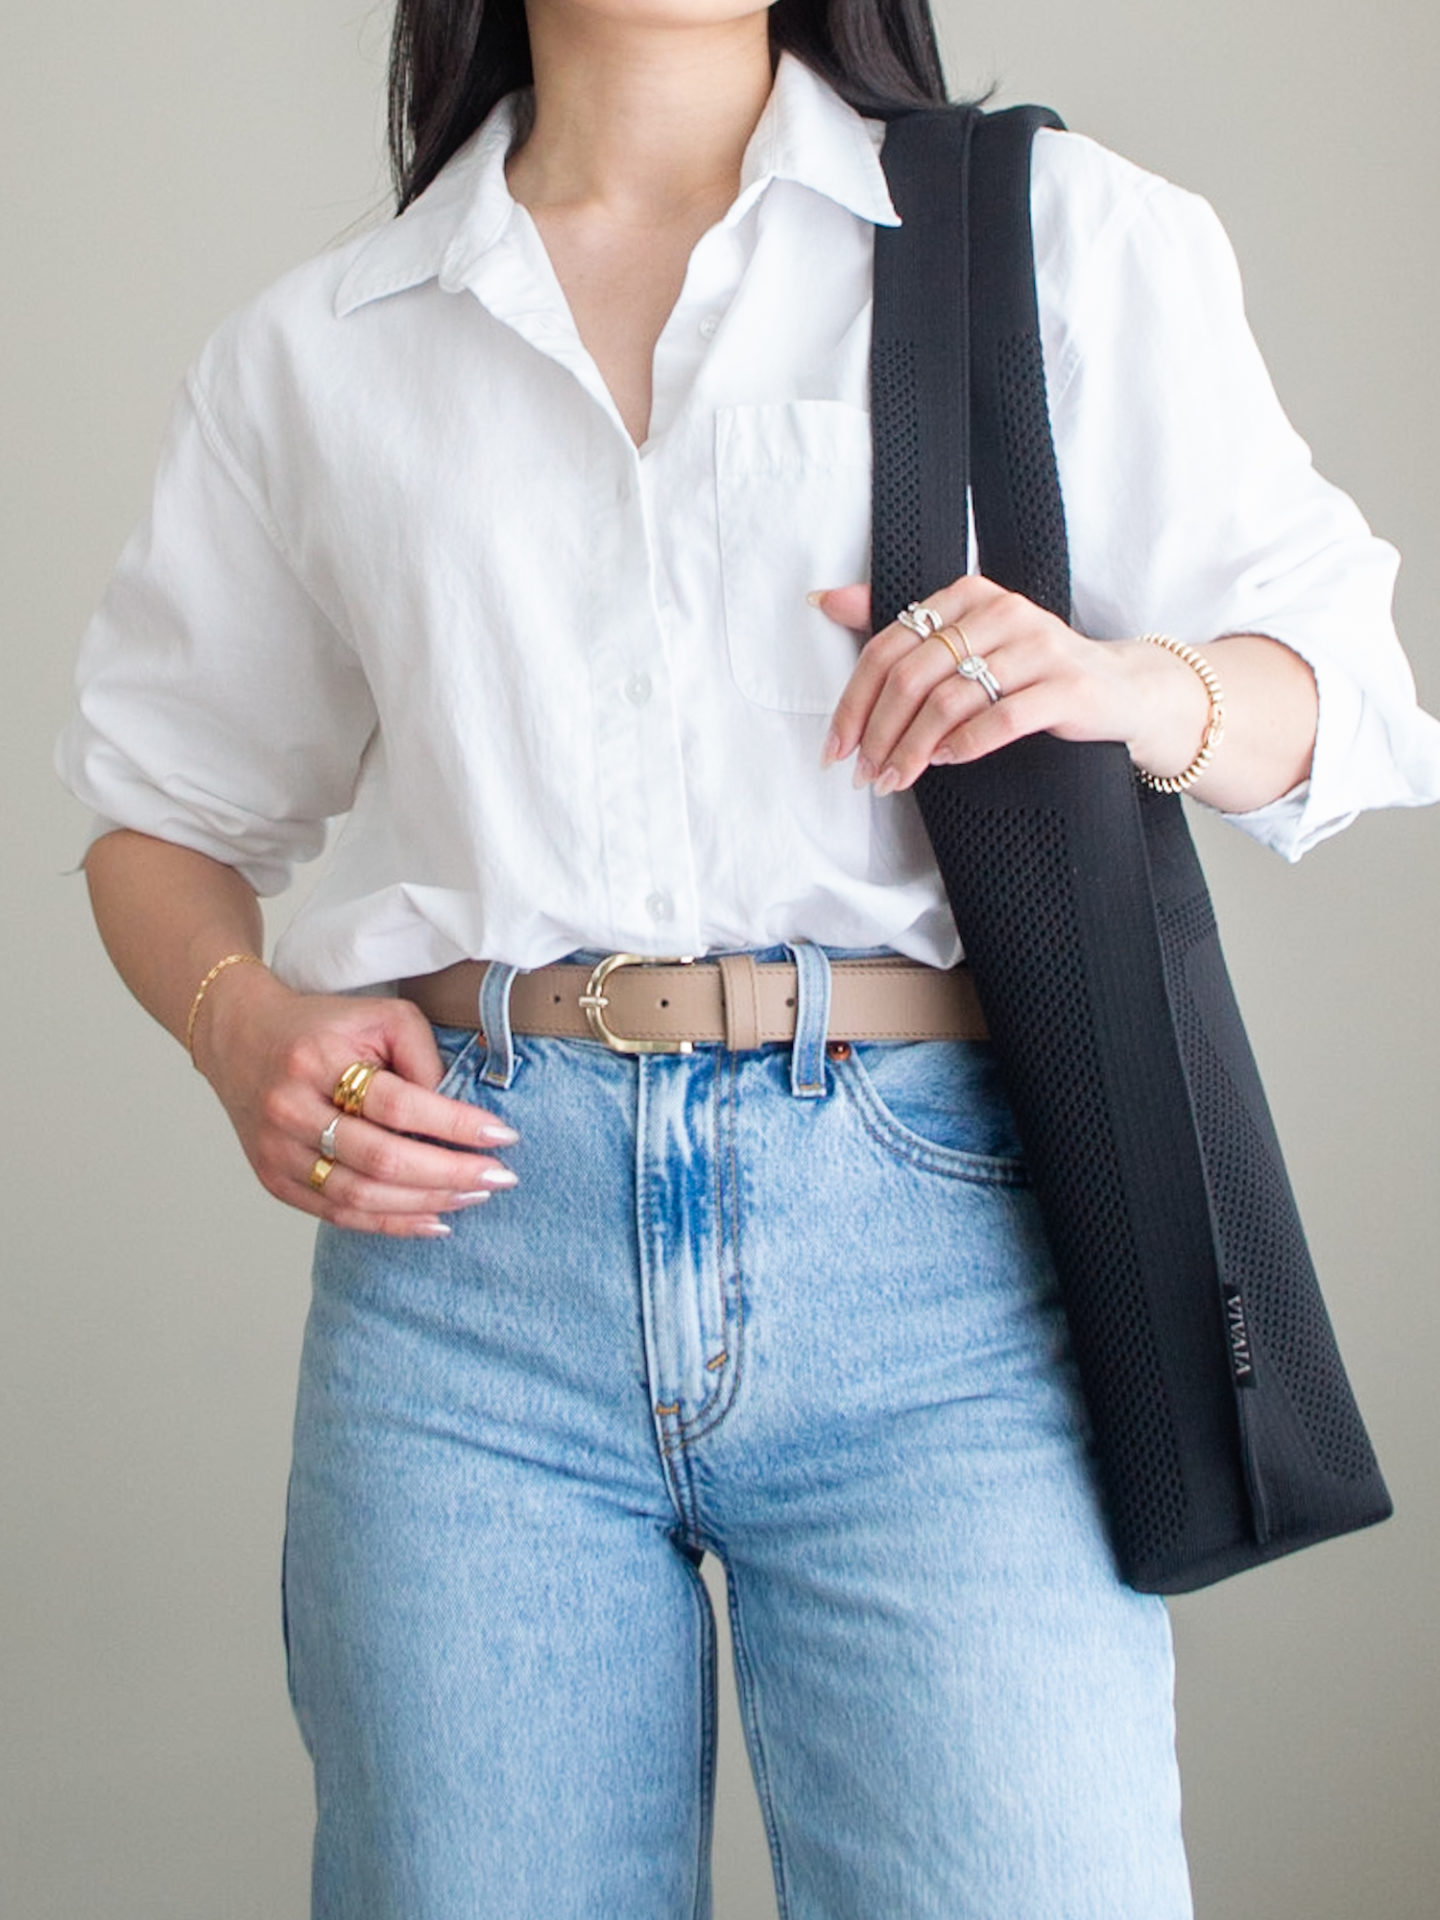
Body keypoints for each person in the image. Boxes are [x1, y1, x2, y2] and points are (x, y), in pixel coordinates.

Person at [53, 0, 1440, 1913]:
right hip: (474, 1271)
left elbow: (1346, 699)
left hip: (946, 1258)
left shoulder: (1058, 235)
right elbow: (161, 815)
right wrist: (244, 1025)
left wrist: (1123, 683)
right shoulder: (326, 348)